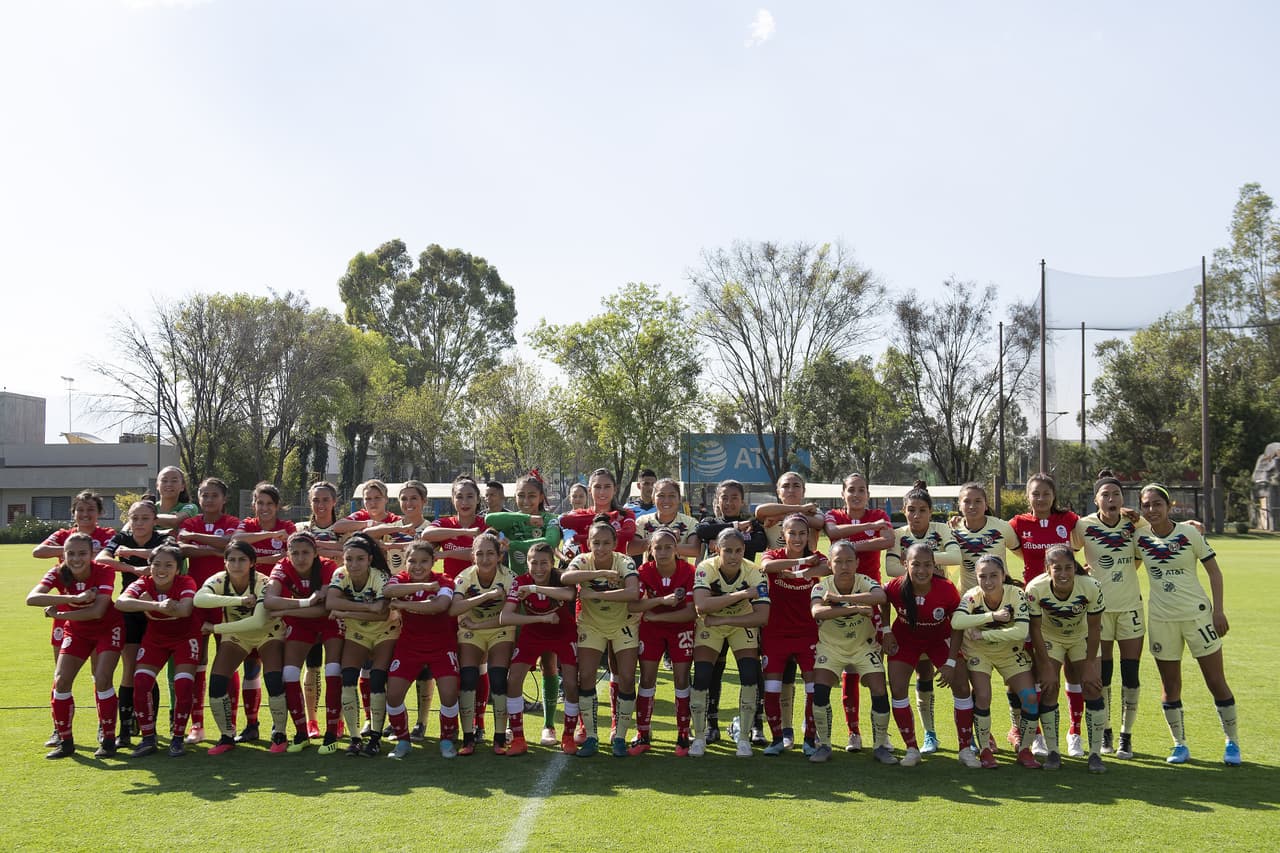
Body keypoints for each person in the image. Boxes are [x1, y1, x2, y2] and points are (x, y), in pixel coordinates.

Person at [1135, 483, 1240, 766]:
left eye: (1158, 503)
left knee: (1216, 681)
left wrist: (1218, 611)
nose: (1152, 509)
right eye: (1146, 505)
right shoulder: (1139, 537)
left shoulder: (1189, 533)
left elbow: (1215, 573)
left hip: (1197, 616)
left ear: (1170, 506)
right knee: (1170, 686)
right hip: (1161, 620)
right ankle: (1179, 745)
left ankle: (1232, 742)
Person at [482, 472, 564, 744]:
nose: (526, 500)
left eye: (531, 495)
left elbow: (549, 544)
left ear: (542, 497)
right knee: (508, 664)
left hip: (544, 594)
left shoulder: (552, 520)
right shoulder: (511, 519)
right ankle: (507, 724)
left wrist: (513, 545)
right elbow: (490, 519)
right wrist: (525, 519)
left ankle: (549, 725)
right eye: (520, 496)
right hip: (514, 595)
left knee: (549, 663)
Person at [26, 532, 124, 759]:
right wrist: (73, 599)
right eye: (70, 553)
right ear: (63, 554)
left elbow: (97, 611)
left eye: (82, 553)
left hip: (107, 629)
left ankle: (108, 740)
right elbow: (32, 598)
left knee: (102, 679)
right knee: (61, 681)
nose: (76, 558)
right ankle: (66, 741)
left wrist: (60, 611)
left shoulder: (104, 570)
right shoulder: (58, 572)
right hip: (77, 630)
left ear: (92, 554)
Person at [1008, 473, 1083, 756]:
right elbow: (995, 539)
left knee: (1072, 669)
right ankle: (1035, 733)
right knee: (1036, 671)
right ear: (1027, 497)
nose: (1040, 499)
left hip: (1068, 603)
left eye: (1045, 494)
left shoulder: (1069, 521)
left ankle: (1074, 732)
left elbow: (1098, 531)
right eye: (1035, 494)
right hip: (1033, 605)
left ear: (1054, 496)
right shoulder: (1018, 524)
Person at [884, 482, 961, 755]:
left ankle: (967, 739)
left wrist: (919, 560)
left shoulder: (941, 530)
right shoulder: (897, 534)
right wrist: (925, 565)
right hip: (911, 607)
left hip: (941, 604)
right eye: (911, 510)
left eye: (923, 510)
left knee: (952, 676)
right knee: (922, 673)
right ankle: (929, 733)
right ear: (904, 511)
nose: (916, 516)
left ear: (931, 512)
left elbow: (956, 556)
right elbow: (891, 568)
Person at [1074, 470, 1146, 759]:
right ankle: (1105, 732)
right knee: (1103, 675)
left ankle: (1126, 737)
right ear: (1096, 500)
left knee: (1130, 674)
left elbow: (1143, 553)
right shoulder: (1084, 525)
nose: (1111, 498)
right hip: (1097, 612)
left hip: (1130, 609)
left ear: (1122, 499)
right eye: (1105, 494)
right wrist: (1082, 573)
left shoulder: (1134, 525)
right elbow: (1063, 553)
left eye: (1116, 494)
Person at [693, 479, 768, 745]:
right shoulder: (709, 521)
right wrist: (735, 528)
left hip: (742, 611)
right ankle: (709, 723)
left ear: (742, 500)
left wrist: (733, 531)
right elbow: (703, 530)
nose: (729, 502)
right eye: (724, 497)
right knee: (711, 670)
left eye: (734, 497)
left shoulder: (754, 528)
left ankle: (755, 724)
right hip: (713, 612)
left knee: (751, 672)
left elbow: (759, 542)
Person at [193, 540, 286, 755]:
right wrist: (239, 600)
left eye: (242, 559)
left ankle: (279, 734)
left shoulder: (265, 582)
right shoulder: (219, 580)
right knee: (217, 683)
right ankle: (227, 736)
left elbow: (257, 623)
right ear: (225, 562)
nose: (236, 564)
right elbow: (199, 599)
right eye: (231, 560)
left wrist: (215, 628)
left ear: (252, 562)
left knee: (273, 680)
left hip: (268, 633)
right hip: (236, 636)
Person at [824, 472, 893, 753]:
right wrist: (868, 531)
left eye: (861, 490)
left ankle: (881, 734)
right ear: (843, 494)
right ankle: (854, 732)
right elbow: (832, 534)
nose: (856, 495)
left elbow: (887, 540)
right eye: (851, 490)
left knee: (875, 668)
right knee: (848, 669)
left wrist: (849, 545)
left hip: (870, 599)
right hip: (838, 599)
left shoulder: (879, 513)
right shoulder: (834, 514)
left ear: (868, 493)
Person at [950, 554, 1040, 769]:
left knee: (1030, 697)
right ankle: (985, 751)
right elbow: (957, 621)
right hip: (978, 652)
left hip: (1009, 651)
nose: (988, 582)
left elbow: (1021, 631)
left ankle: (1026, 750)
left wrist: (985, 634)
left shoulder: (1016, 594)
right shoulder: (972, 596)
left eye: (993, 576)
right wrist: (992, 617)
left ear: (1003, 576)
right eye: (982, 576)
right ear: (976, 577)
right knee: (982, 696)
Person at [561, 517, 641, 757]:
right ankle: (592, 736)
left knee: (626, 677)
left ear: (615, 543)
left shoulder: (625, 561)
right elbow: (565, 578)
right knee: (585, 676)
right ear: (589, 544)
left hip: (622, 624)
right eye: (596, 543)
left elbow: (633, 592)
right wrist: (602, 573)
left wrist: (595, 594)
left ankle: (619, 737)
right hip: (591, 625)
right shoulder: (582, 561)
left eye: (606, 543)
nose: (601, 548)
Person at [364, 480, 436, 740]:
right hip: (395, 604)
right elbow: (365, 538)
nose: (408, 504)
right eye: (404, 499)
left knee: (424, 668)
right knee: (393, 666)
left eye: (413, 499)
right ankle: (395, 720)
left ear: (424, 502)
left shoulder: (431, 529)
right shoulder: (393, 529)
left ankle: (422, 722)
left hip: (423, 603)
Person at [1026, 545, 1107, 772]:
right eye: (1057, 568)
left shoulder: (1091, 587)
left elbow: (1095, 628)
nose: (1063, 573)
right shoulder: (1035, 588)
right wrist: (1045, 666)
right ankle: (1053, 753)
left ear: (1075, 568)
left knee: (1092, 686)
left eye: (1068, 568)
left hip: (1082, 636)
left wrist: (1091, 665)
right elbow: (1035, 629)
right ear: (1047, 569)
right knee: (1049, 687)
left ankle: (1095, 754)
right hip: (1050, 637)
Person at [807, 540, 889, 764]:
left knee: (879, 688)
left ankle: (881, 745)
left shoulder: (865, 581)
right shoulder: (821, 586)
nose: (844, 566)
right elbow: (817, 612)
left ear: (857, 563)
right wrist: (855, 609)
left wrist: (841, 600)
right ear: (830, 565)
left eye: (849, 561)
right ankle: (824, 745)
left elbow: (880, 598)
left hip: (863, 646)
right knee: (821, 690)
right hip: (831, 647)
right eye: (838, 562)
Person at [114, 544, 200, 757]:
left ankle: (178, 738)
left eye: (169, 565)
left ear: (178, 569)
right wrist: (156, 606)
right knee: (141, 682)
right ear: (149, 566)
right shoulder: (143, 582)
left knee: (183, 683)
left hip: (185, 638)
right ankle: (148, 738)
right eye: (157, 564)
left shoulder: (186, 581)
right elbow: (120, 602)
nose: (162, 569)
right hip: (155, 639)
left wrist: (148, 605)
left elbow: (185, 609)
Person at [95, 500, 168, 748]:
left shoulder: (162, 539)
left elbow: (167, 558)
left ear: (154, 521)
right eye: (134, 518)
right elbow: (102, 558)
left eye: (144, 518)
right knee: (129, 669)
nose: (138, 523)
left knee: (148, 670)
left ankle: (150, 728)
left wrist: (131, 552)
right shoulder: (122, 536)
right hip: (130, 608)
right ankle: (124, 730)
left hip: (158, 610)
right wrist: (133, 568)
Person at [263, 531, 343, 753]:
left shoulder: (328, 567)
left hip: (329, 621)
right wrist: (305, 602)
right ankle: (301, 733)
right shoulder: (282, 566)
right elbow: (269, 601)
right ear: (287, 554)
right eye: (294, 553)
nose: (300, 558)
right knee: (289, 674)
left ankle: (331, 732)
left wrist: (287, 608)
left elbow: (327, 607)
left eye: (306, 552)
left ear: (316, 553)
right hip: (300, 622)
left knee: (333, 670)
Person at [176, 476, 242, 745]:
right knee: (197, 662)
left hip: (227, 599)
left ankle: (231, 724)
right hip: (199, 601)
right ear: (198, 498)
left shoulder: (233, 523)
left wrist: (200, 544)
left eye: (214, 495)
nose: (209, 499)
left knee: (228, 661)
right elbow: (182, 548)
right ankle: (198, 725)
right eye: (204, 495)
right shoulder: (189, 523)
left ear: (224, 499)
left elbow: (233, 547)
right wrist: (215, 547)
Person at [500, 541, 580, 756]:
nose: (538, 568)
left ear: (552, 564)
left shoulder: (561, 577)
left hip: (564, 633)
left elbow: (569, 595)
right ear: (526, 563)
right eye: (533, 563)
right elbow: (505, 616)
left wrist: (535, 589)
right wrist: (542, 619)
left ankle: (567, 736)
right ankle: (518, 738)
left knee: (571, 683)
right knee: (514, 679)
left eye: (544, 563)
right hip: (534, 632)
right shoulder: (520, 582)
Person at [384, 541, 461, 759]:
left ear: (434, 562)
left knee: (448, 694)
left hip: (441, 645)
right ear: (405, 562)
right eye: (412, 561)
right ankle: (403, 741)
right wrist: (424, 588)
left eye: (424, 561)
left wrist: (403, 605)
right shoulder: (401, 579)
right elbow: (388, 591)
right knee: (394, 695)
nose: (418, 566)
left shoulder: (444, 580)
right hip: (409, 646)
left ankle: (446, 740)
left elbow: (439, 606)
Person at [231, 482, 296, 742]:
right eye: (260, 503)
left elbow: (288, 557)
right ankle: (252, 723)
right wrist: (267, 540)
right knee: (250, 668)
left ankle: (280, 727)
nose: (265, 508)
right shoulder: (248, 526)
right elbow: (235, 541)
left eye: (270, 504)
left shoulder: (289, 528)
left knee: (276, 669)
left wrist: (253, 556)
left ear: (277, 506)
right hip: (247, 604)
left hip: (280, 606)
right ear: (254, 504)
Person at [759, 514, 828, 755]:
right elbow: (765, 567)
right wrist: (802, 563)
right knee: (772, 688)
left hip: (808, 633)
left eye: (802, 533)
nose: (797, 538)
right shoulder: (774, 555)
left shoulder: (817, 558)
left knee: (813, 688)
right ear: (783, 536)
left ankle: (810, 739)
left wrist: (799, 572)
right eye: (792, 533)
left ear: (808, 535)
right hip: (775, 633)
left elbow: (828, 567)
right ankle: (777, 739)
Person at [325, 533, 399, 756]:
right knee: (347, 679)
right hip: (357, 633)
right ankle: (355, 738)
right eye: (349, 559)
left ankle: (375, 738)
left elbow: (382, 614)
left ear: (369, 559)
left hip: (385, 632)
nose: (353, 564)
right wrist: (366, 607)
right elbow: (330, 602)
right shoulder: (341, 574)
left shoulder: (380, 576)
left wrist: (344, 611)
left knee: (377, 679)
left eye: (359, 559)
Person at [627, 528, 696, 755]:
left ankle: (683, 734)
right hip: (652, 631)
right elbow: (633, 606)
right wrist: (659, 601)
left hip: (680, 629)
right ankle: (643, 734)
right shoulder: (643, 571)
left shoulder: (689, 571)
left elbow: (690, 613)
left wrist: (659, 613)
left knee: (681, 678)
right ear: (650, 549)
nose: (663, 552)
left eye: (668, 547)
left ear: (677, 549)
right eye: (658, 547)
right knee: (647, 678)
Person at [449, 532, 517, 755]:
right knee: (468, 677)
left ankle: (499, 738)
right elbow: (454, 609)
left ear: (499, 556)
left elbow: (509, 616)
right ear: (472, 556)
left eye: (490, 554)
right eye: (480, 554)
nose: (485, 559)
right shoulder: (464, 577)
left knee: (498, 679)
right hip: (470, 630)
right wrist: (485, 597)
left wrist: (479, 624)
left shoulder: (509, 577)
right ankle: (468, 737)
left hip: (499, 629)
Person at [294, 481, 345, 737]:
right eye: (316, 500)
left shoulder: (344, 529)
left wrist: (319, 548)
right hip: (309, 604)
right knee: (311, 665)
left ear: (334, 502)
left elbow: (349, 552)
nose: (321, 505)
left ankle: (338, 719)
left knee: (337, 667)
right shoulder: (301, 529)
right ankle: (312, 721)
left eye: (326, 500)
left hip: (339, 605)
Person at [150, 466, 199, 532]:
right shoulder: (150, 508)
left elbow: (176, 521)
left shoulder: (190, 507)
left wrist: (146, 518)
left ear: (182, 486)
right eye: (164, 480)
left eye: (174, 481)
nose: (169, 484)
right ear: (157, 486)